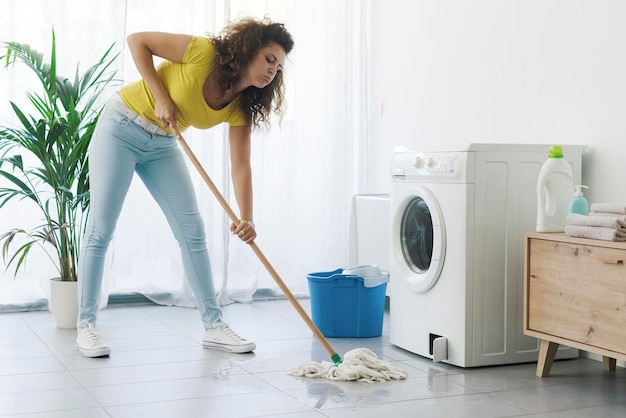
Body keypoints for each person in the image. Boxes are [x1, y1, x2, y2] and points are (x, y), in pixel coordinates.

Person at [75, 18, 294, 358]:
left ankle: (214, 326)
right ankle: (85, 326)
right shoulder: (203, 53)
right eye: (269, 59)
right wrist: (160, 97)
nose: (272, 70)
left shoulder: (240, 105)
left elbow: (241, 165)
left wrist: (246, 218)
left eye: (278, 67)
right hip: (121, 126)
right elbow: (138, 40)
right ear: (250, 49)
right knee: (101, 228)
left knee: (193, 231)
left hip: (162, 143)